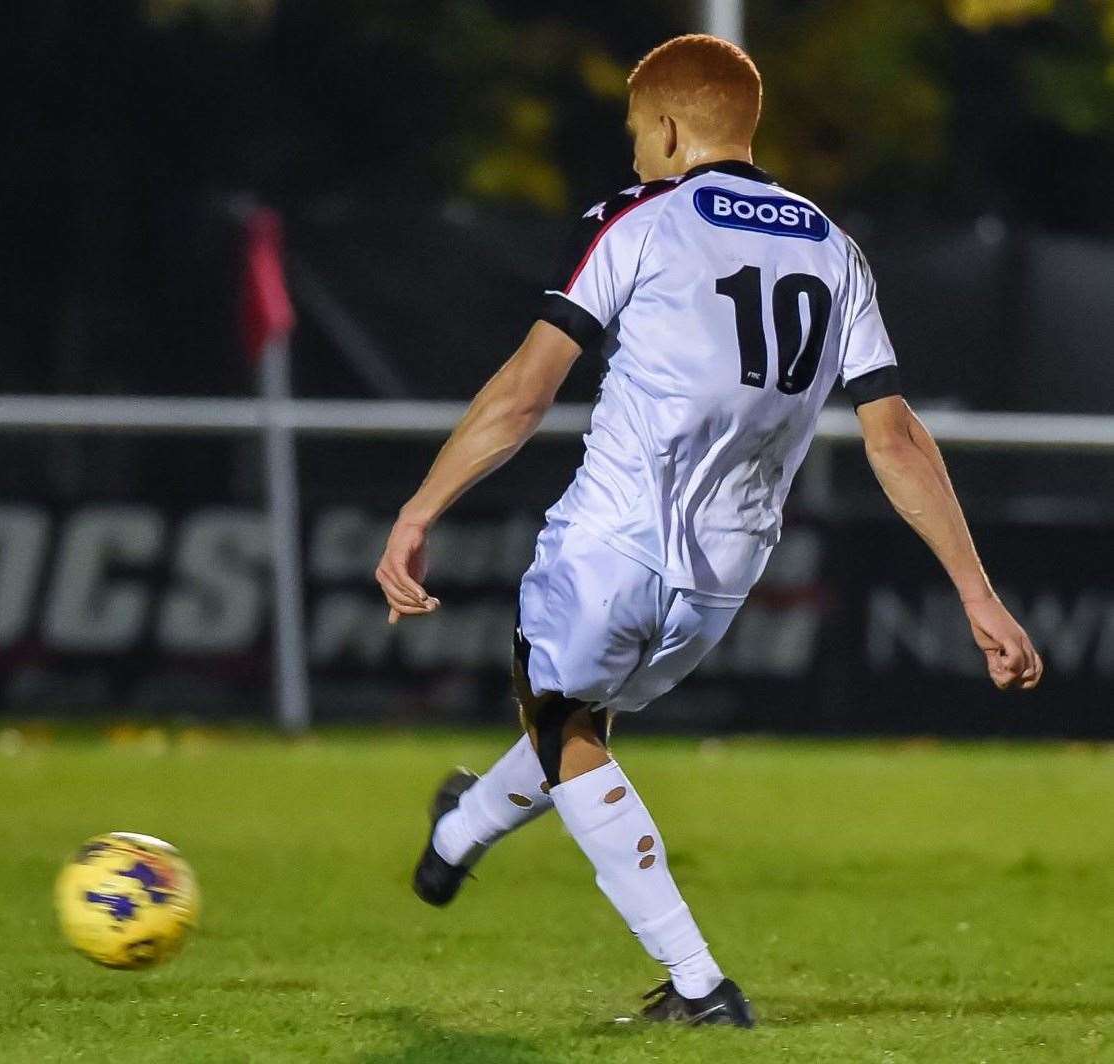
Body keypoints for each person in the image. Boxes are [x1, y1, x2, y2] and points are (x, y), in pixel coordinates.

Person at [374, 33, 1042, 1028]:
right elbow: (892, 434)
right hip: (728, 570)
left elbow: (523, 392)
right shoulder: (829, 244)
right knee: (573, 722)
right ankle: (459, 832)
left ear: (671, 129)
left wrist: (419, 509)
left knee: (560, 720)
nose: (636, 154)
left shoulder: (637, 218)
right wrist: (976, 592)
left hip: (615, 533)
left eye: (639, 135)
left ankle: (697, 984)